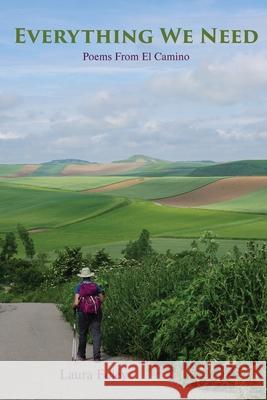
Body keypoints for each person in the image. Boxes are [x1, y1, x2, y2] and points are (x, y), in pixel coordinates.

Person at [73, 267, 105, 361]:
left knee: (83, 334)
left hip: (83, 313)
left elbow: (76, 302)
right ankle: (97, 356)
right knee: (96, 333)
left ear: (82, 277)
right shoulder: (96, 286)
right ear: (90, 276)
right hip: (96, 312)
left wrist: (74, 307)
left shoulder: (79, 287)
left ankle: (82, 355)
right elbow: (102, 299)